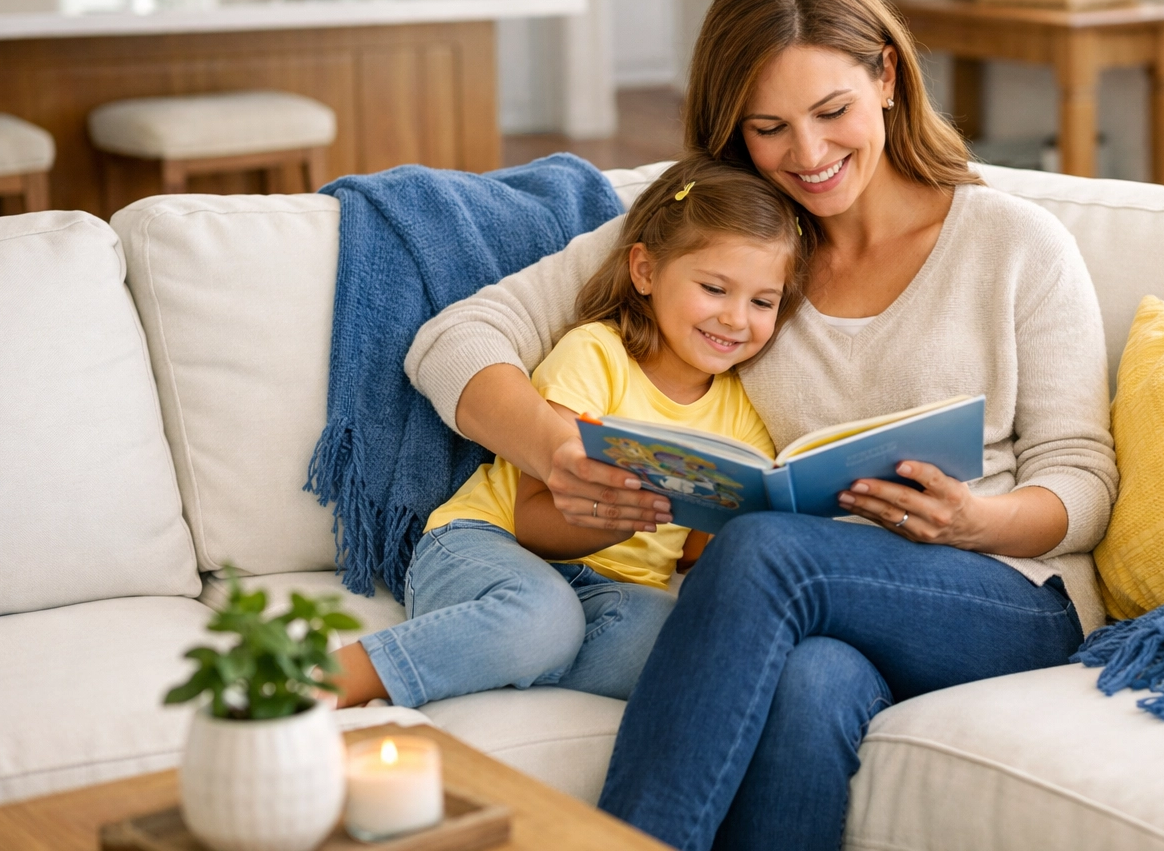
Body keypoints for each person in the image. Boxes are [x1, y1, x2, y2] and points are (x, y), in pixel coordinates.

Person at [404, 0, 1119, 851]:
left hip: (1004, 596)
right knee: (809, 684)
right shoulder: (732, 245)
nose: (809, 157)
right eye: (770, 128)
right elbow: (454, 340)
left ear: (886, 79)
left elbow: (1084, 476)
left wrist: (977, 519)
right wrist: (555, 446)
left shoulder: (1016, 245)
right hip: (808, 612)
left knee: (766, 551)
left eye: (832, 114)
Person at [330, 158, 810, 709]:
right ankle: (343, 673)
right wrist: (614, 520)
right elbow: (533, 520)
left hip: (612, 594)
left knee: (687, 641)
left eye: (763, 302)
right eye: (714, 288)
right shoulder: (597, 355)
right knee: (545, 617)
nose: (735, 319)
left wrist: (743, 521)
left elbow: (688, 557)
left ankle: (500, 655)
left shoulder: (743, 417)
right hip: (487, 546)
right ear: (646, 272)